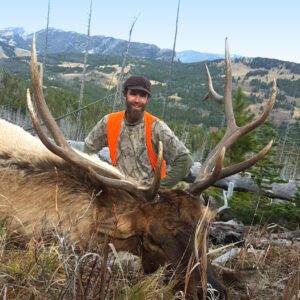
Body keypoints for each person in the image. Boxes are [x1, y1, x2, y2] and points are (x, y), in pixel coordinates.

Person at [84, 75, 193, 189]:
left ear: (147, 99)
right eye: (133, 94)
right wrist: (95, 175)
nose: (137, 100)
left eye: (142, 96)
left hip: (148, 196)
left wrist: (159, 187)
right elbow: (89, 146)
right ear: (124, 95)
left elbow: (185, 160)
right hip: (119, 190)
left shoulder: (157, 127)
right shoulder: (109, 122)